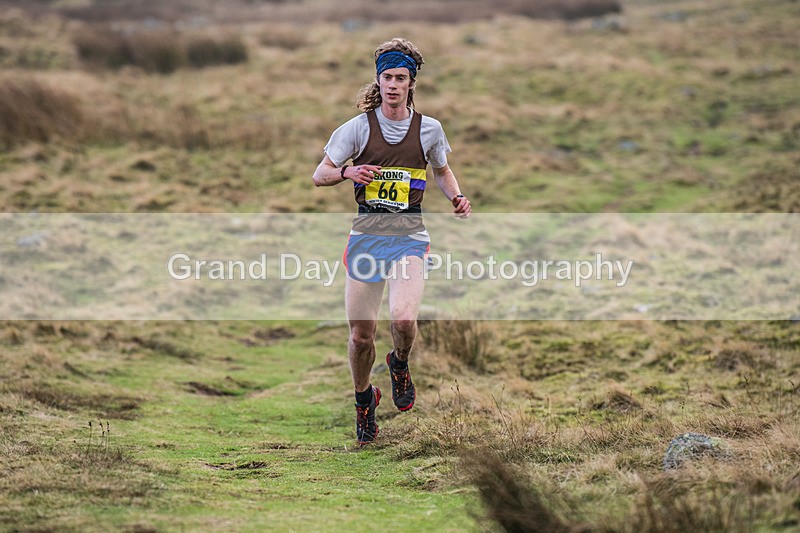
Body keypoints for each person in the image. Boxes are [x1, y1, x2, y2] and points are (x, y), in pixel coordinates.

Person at [312, 37, 471, 446]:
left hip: (410, 238)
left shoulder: (429, 129)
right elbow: (320, 174)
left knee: (403, 319)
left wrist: (455, 196)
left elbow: (442, 170)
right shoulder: (357, 128)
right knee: (360, 336)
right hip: (366, 238)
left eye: (401, 77)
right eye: (387, 77)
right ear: (378, 81)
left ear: (411, 83)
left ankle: (399, 364)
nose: (393, 85)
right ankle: (364, 399)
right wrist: (348, 173)